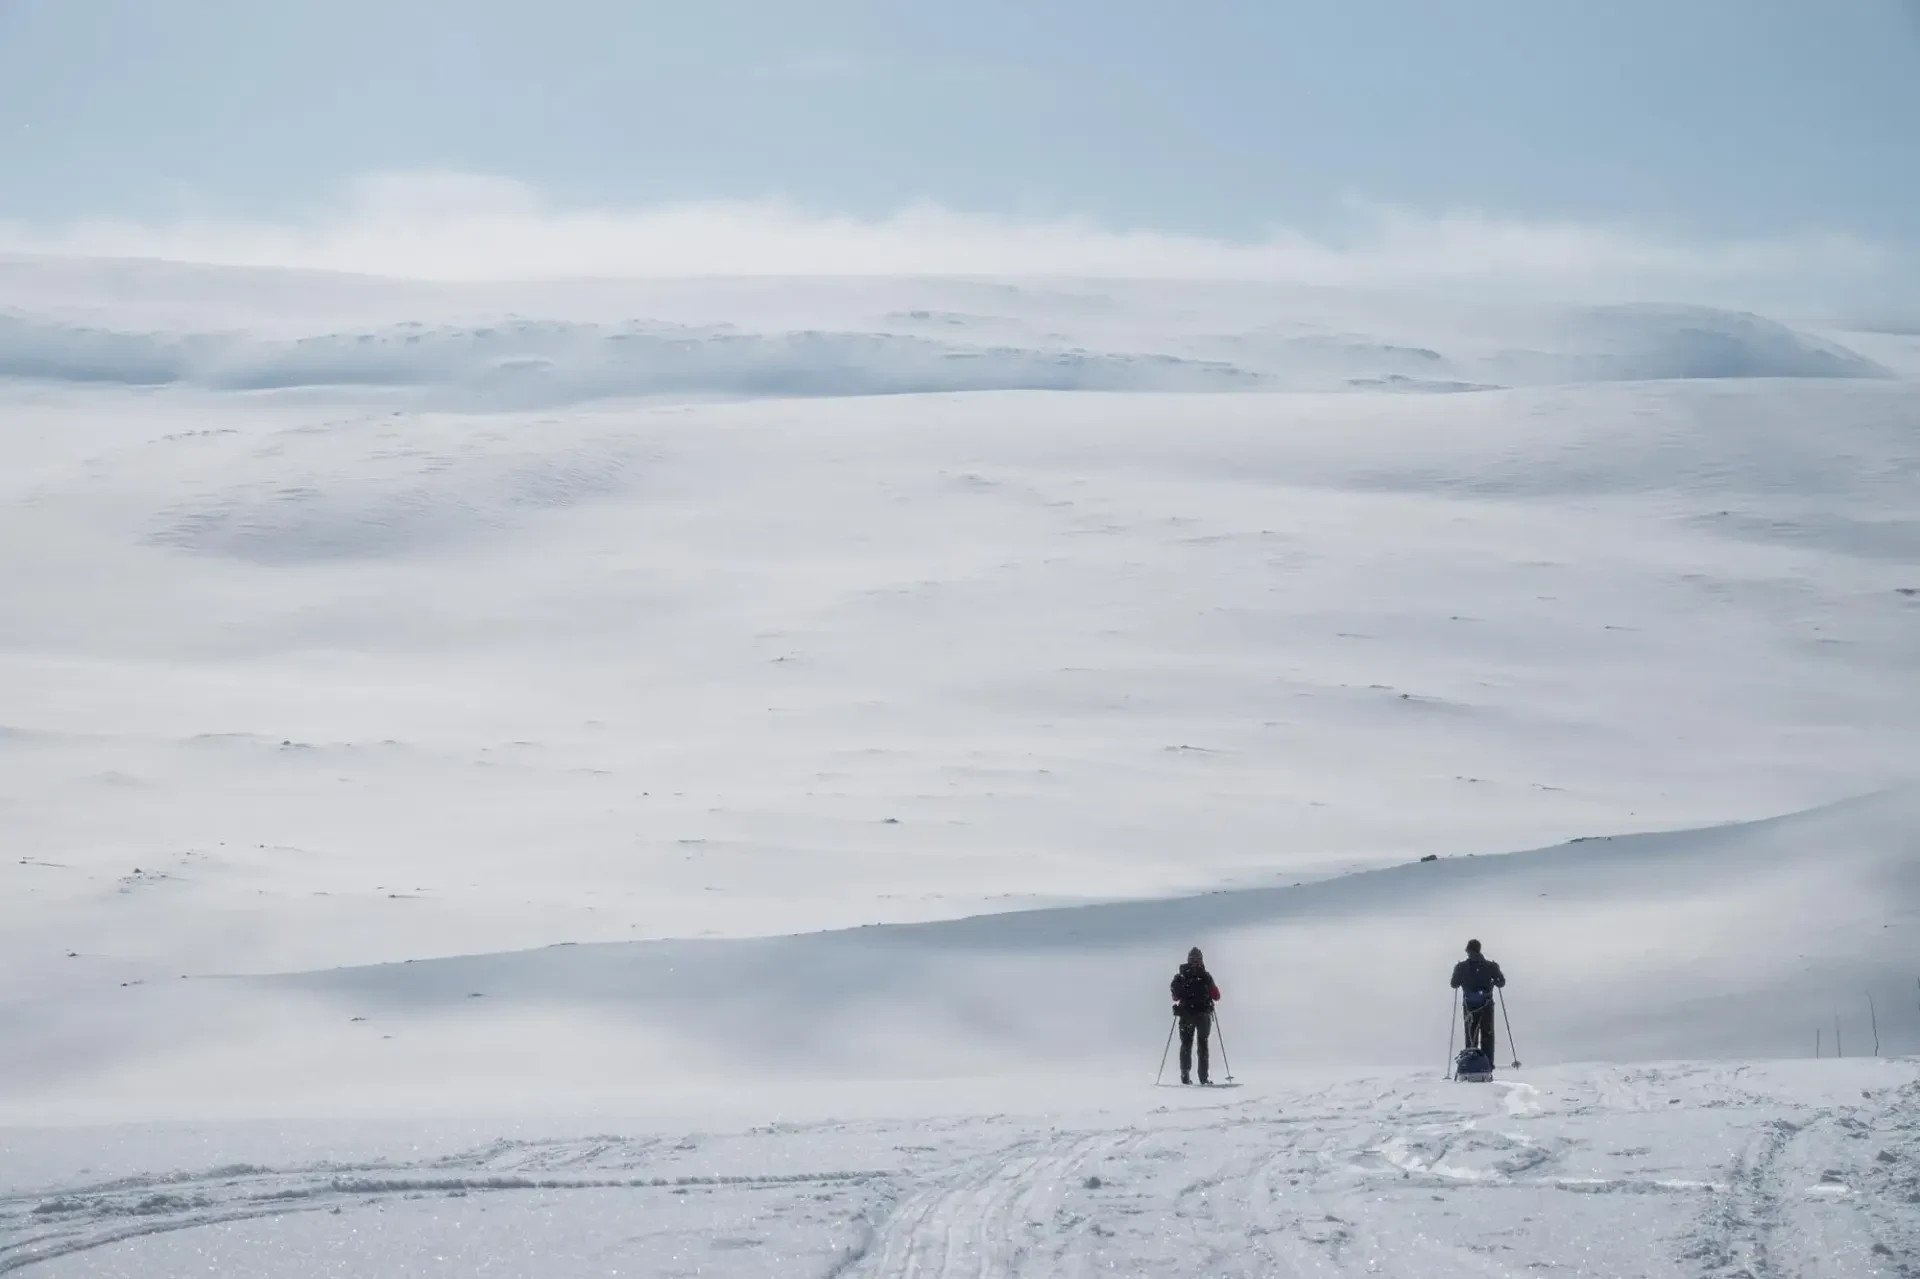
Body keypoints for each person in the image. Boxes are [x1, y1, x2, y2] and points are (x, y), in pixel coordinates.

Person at [1170, 946, 1221, 1085]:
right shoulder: (1205, 976)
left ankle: (1185, 1075)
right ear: (1201, 960)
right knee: (1202, 1045)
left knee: (1186, 1044)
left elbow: (1175, 997)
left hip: (1186, 1014)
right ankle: (1203, 1078)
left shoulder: (1181, 976)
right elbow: (1216, 996)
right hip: (1203, 1015)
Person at [1450, 938, 1506, 1061]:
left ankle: (1471, 1061)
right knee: (1487, 1034)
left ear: (1469, 951)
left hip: (1469, 1006)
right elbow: (1501, 983)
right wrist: (1494, 981)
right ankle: (1488, 1063)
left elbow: (1453, 984)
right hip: (1486, 1005)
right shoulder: (1491, 966)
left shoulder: (1461, 967)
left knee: (1470, 1035)